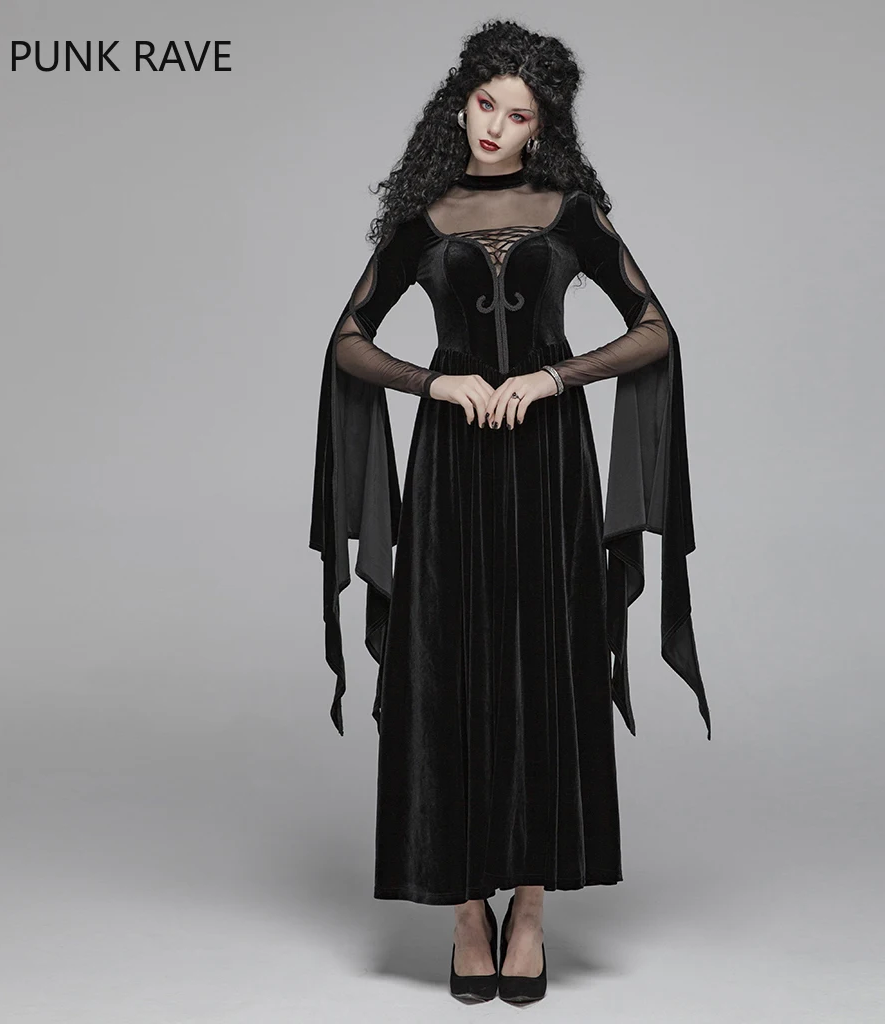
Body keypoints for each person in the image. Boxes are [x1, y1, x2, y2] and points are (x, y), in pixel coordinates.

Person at [309, 19, 711, 1004]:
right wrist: (434, 384)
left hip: (547, 462)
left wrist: (551, 377)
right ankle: (463, 909)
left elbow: (653, 330)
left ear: (543, 128)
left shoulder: (570, 212)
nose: (495, 125)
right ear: (460, 105)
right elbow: (348, 341)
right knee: (443, 667)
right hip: (451, 467)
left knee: (547, 663)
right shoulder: (422, 217)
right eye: (486, 104)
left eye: (519, 114)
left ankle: (528, 909)